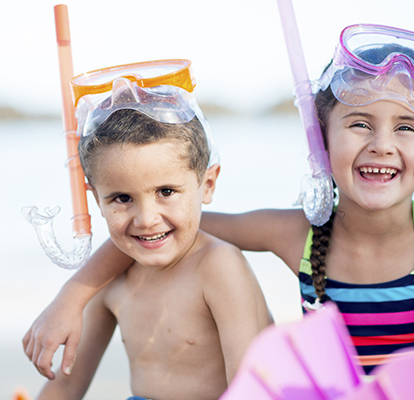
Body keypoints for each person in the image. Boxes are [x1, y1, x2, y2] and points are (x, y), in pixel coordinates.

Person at [24, 27, 414, 399]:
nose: (382, 145)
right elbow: (169, 229)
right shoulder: (297, 233)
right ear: (320, 142)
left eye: (407, 128)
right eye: (360, 124)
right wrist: (73, 295)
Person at [32, 60, 271, 400]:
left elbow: (249, 390)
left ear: (207, 184)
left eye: (167, 192)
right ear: (96, 200)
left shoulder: (218, 267)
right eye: (122, 198)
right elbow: (68, 384)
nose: (146, 219)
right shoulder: (109, 280)